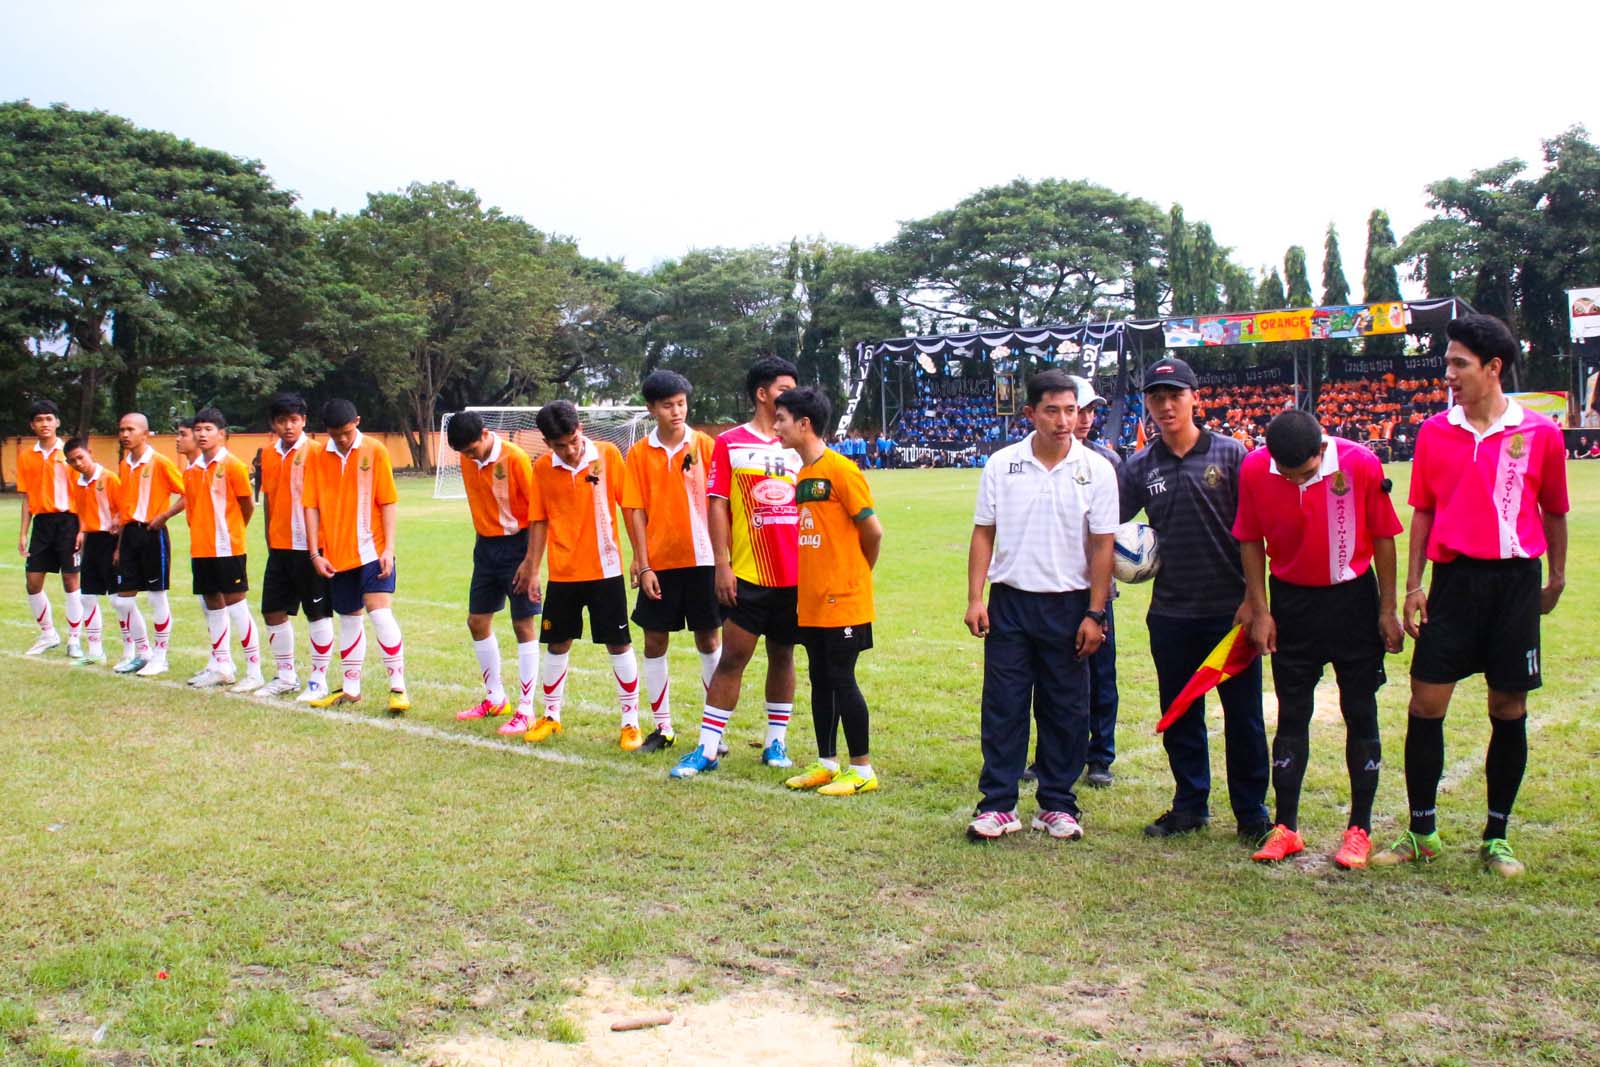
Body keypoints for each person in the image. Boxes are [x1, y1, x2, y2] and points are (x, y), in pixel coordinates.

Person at [1375, 315, 1569, 877]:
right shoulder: (1436, 432)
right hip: (1453, 583)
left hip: (1515, 584)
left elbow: (1554, 510)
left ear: (1493, 368)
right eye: (1448, 363)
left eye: (1460, 364)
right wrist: (1414, 584)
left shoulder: (1541, 434)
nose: (1449, 374)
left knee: (1508, 707)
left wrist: (1556, 578)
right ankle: (1422, 832)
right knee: (1425, 703)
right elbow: (1424, 511)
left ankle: (1497, 837)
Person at [1233, 410, 1405, 869]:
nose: (1296, 481)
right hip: (1293, 605)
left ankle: (1359, 830)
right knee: (1292, 714)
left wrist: (1387, 609)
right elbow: (1249, 540)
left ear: (1322, 450)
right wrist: (1261, 609)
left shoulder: (1360, 463)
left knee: (1360, 711)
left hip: (1353, 602)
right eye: (1286, 474)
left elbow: (1384, 537)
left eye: (1305, 473)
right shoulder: (1255, 468)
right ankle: (1286, 827)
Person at [1119, 358, 1271, 843]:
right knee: (1181, 713)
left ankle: (1252, 812)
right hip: (1171, 612)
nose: (1165, 405)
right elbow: (1107, 526)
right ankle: (1189, 806)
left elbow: (1255, 532)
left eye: (1175, 395)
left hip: (1231, 612)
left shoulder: (1231, 454)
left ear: (1194, 398)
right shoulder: (1139, 466)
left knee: (1244, 717)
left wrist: (1255, 601)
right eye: (1156, 397)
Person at [964, 371, 1117, 841]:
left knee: (1065, 708)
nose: (1064, 420)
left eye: (1071, 410)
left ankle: (1057, 803)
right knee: (1004, 705)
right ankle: (998, 804)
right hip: (1010, 603)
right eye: (1052, 410)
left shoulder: (1097, 469)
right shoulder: (1002, 464)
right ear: (1030, 413)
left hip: (1070, 605)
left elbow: (1103, 546)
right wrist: (975, 598)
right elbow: (984, 532)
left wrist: (1095, 613)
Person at [671, 357, 803, 778]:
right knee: (733, 658)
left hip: (795, 574)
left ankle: (776, 741)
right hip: (748, 573)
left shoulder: (799, 442)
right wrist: (722, 563)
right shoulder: (730, 442)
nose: (792, 396)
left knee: (783, 655)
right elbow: (717, 505)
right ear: (762, 394)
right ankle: (708, 748)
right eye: (784, 389)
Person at [772, 387, 885, 796]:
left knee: (841, 678)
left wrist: (855, 574)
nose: (776, 426)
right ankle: (826, 763)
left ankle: (862, 769)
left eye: (781, 419)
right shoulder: (804, 474)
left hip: (844, 600)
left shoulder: (842, 470)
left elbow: (873, 531)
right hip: (812, 600)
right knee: (819, 678)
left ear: (804, 424)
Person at [510, 401, 638, 746]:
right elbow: (539, 519)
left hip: (605, 569)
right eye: (559, 446)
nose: (568, 450)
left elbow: (629, 507)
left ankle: (630, 723)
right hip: (563, 572)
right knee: (557, 642)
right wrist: (532, 567)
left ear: (580, 428)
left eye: (573, 441)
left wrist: (640, 558)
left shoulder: (608, 455)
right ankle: (551, 716)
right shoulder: (542, 468)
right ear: (546, 443)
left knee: (618, 643)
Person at [622, 370, 721, 753]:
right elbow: (635, 510)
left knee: (709, 639)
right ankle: (663, 728)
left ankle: (714, 732)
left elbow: (720, 505)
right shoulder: (639, 453)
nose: (677, 411)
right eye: (668, 405)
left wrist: (724, 560)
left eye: (681, 404)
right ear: (652, 409)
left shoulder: (706, 446)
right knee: (654, 640)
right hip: (660, 565)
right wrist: (644, 563)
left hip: (705, 560)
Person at [304, 399, 409, 712]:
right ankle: (351, 689)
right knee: (349, 618)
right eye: (335, 434)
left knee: (380, 613)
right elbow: (311, 506)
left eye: (347, 432)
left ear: (358, 422)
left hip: (373, 550)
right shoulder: (317, 456)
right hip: (337, 553)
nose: (342, 439)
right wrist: (315, 553)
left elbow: (388, 502)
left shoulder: (375, 451)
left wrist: (388, 549)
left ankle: (398, 688)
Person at [447, 410, 542, 733]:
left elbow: (537, 513)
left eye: (472, 449)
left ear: (486, 434)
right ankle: (495, 697)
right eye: (463, 453)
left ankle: (526, 709)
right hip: (485, 548)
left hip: (518, 546)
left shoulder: (515, 459)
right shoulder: (466, 460)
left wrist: (531, 563)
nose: (469, 456)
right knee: (477, 622)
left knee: (522, 624)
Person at [256, 393, 336, 701]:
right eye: (282, 421)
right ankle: (286, 676)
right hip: (280, 546)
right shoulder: (268, 454)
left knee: (317, 613)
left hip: (312, 547)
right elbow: (268, 498)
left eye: (294, 420)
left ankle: (318, 680)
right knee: (272, 610)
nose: (288, 426)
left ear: (304, 421)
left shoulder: (318, 452)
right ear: (273, 424)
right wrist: (269, 538)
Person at [182, 408, 265, 692]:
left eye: (208, 429)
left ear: (222, 433)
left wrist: (234, 531)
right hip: (201, 549)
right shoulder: (191, 471)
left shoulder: (233, 465)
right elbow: (192, 509)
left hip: (228, 547)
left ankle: (254, 671)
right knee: (212, 605)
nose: (202, 434)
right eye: (198, 429)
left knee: (236, 605)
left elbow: (247, 504)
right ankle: (222, 666)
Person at [111, 413, 185, 676]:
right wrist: (119, 545)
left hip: (153, 535)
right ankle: (143, 652)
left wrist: (164, 516)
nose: (124, 434)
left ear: (145, 433)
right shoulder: (124, 465)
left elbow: (187, 494)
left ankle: (160, 657)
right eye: (121, 429)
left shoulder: (160, 462)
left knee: (156, 597)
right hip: (130, 535)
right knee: (122, 601)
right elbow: (125, 508)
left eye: (130, 429)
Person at [16, 400, 83, 657]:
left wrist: (82, 528)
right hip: (42, 524)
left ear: (57, 422)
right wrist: (24, 532)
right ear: (32, 425)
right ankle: (48, 634)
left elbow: (83, 492)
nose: (44, 424)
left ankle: (74, 639)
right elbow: (27, 497)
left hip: (68, 522)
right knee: (33, 581)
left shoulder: (69, 454)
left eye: (48, 418)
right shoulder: (26, 456)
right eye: (39, 419)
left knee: (70, 579)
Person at [63, 437, 120, 667]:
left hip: (111, 539)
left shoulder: (109, 478)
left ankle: (132, 650)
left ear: (90, 453)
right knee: (87, 596)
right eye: (72, 461)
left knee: (118, 600)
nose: (78, 463)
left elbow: (122, 510)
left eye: (80, 457)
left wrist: (119, 548)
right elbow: (83, 513)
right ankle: (95, 651)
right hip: (92, 541)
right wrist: (82, 533)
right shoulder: (78, 484)